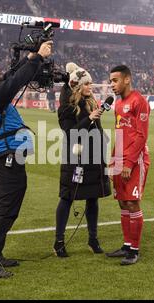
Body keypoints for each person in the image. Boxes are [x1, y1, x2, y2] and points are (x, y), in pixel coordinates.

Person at [0, 40, 53, 278]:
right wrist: (38, 57)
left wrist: (28, 60)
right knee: (5, 210)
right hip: (7, 158)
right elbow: (15, 82)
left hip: (4, 157)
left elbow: (9, 78)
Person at [54, 62, 111, 258]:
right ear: (77, 86)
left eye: (91, 84)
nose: (90, 87)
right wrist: (90, 118)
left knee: (93, 198)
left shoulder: (92, 103)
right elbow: (71, 134)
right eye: (86, 84)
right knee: (67, 198)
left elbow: (97, 130)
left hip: (94, 159)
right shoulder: (67, 108)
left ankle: (93, 239)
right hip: (75, 159)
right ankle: (59, 242)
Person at [106, 65, 150, 265]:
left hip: (135, 160)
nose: (112, 85)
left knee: (132, 202)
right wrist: (113, 160)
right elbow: (119, 133)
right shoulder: (117, 103)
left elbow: (141, 136)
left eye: (115, 80)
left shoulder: (139, 101)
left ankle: (134, 250)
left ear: (127, 79)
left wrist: (129, 163)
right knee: (122, 202)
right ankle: (126, 245)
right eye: (110, 81)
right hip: (120, 159)